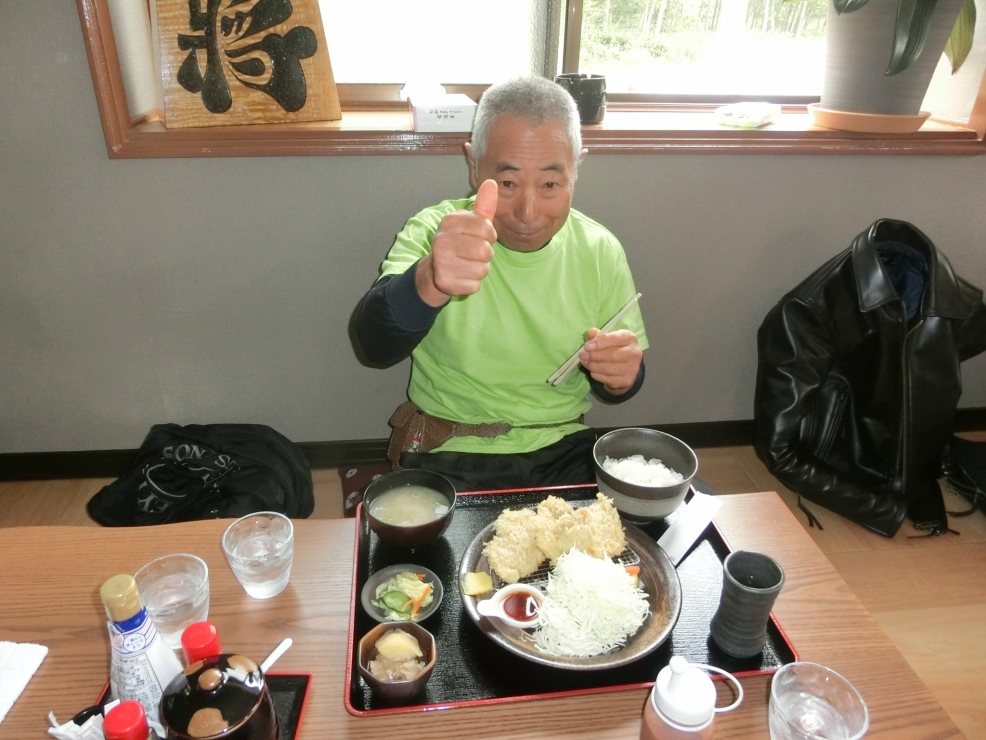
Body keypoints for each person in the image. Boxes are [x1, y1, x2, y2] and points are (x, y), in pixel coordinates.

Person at [354, 76, 648, 491]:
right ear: (474, 165)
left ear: (577, 167)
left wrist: (622, 376)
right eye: (508, 183)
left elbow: (620, 383)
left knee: (665, 521)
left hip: (564, 445)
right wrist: (429, 279)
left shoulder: (600, 249)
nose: (528, 212)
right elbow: (374, 347)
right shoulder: (434, 230)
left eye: (550, 184)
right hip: (448, 444)